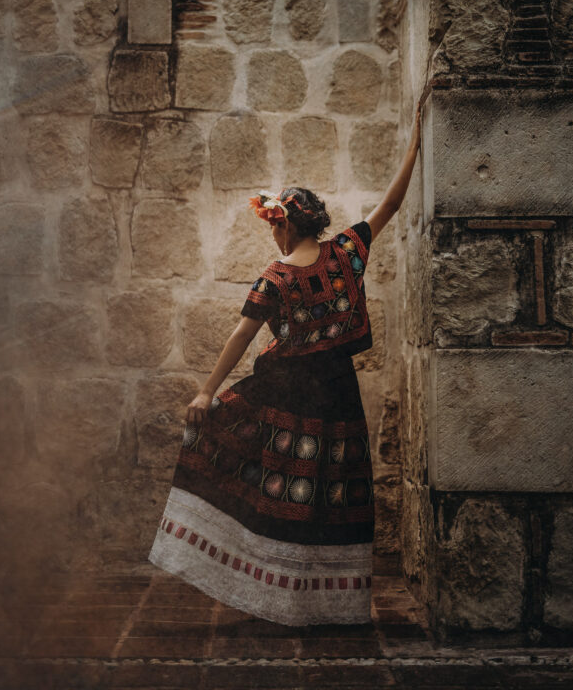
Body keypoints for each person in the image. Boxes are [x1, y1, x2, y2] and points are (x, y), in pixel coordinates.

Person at [148, 101, 423, 626]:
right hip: (338, 394)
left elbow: (240, 336)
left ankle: (270, 591)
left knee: (272, 483)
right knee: (327, 490)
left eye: (274, 224)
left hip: (285, 394)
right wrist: (412, 150)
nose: (272, 233)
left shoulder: (275, 277)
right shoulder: (347, 251)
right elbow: (390, 204)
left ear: (286, 227)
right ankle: (325, 604)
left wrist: (207, 392)